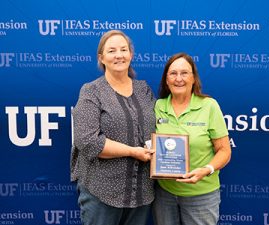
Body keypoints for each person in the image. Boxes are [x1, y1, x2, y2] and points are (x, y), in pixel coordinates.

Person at [70, 30, 156, 225]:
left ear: (131, 55)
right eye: (112, 51)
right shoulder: (91, 91)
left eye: (124, 49)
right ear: (102, 58)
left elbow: (158, 129)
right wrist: (133, 152)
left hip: (141, 191)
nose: (119, 55)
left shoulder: (144, 89)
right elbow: (88, 141)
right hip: (102, 191)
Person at [152, 52, 231, 225]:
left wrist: (206, 169)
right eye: (173, 73)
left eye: (184, 73)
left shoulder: (209, 106)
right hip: (164, 194)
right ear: (166, 80)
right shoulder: (158, 106)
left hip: (201, 195)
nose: (178, 78)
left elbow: (224, 150)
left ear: (194, 78)